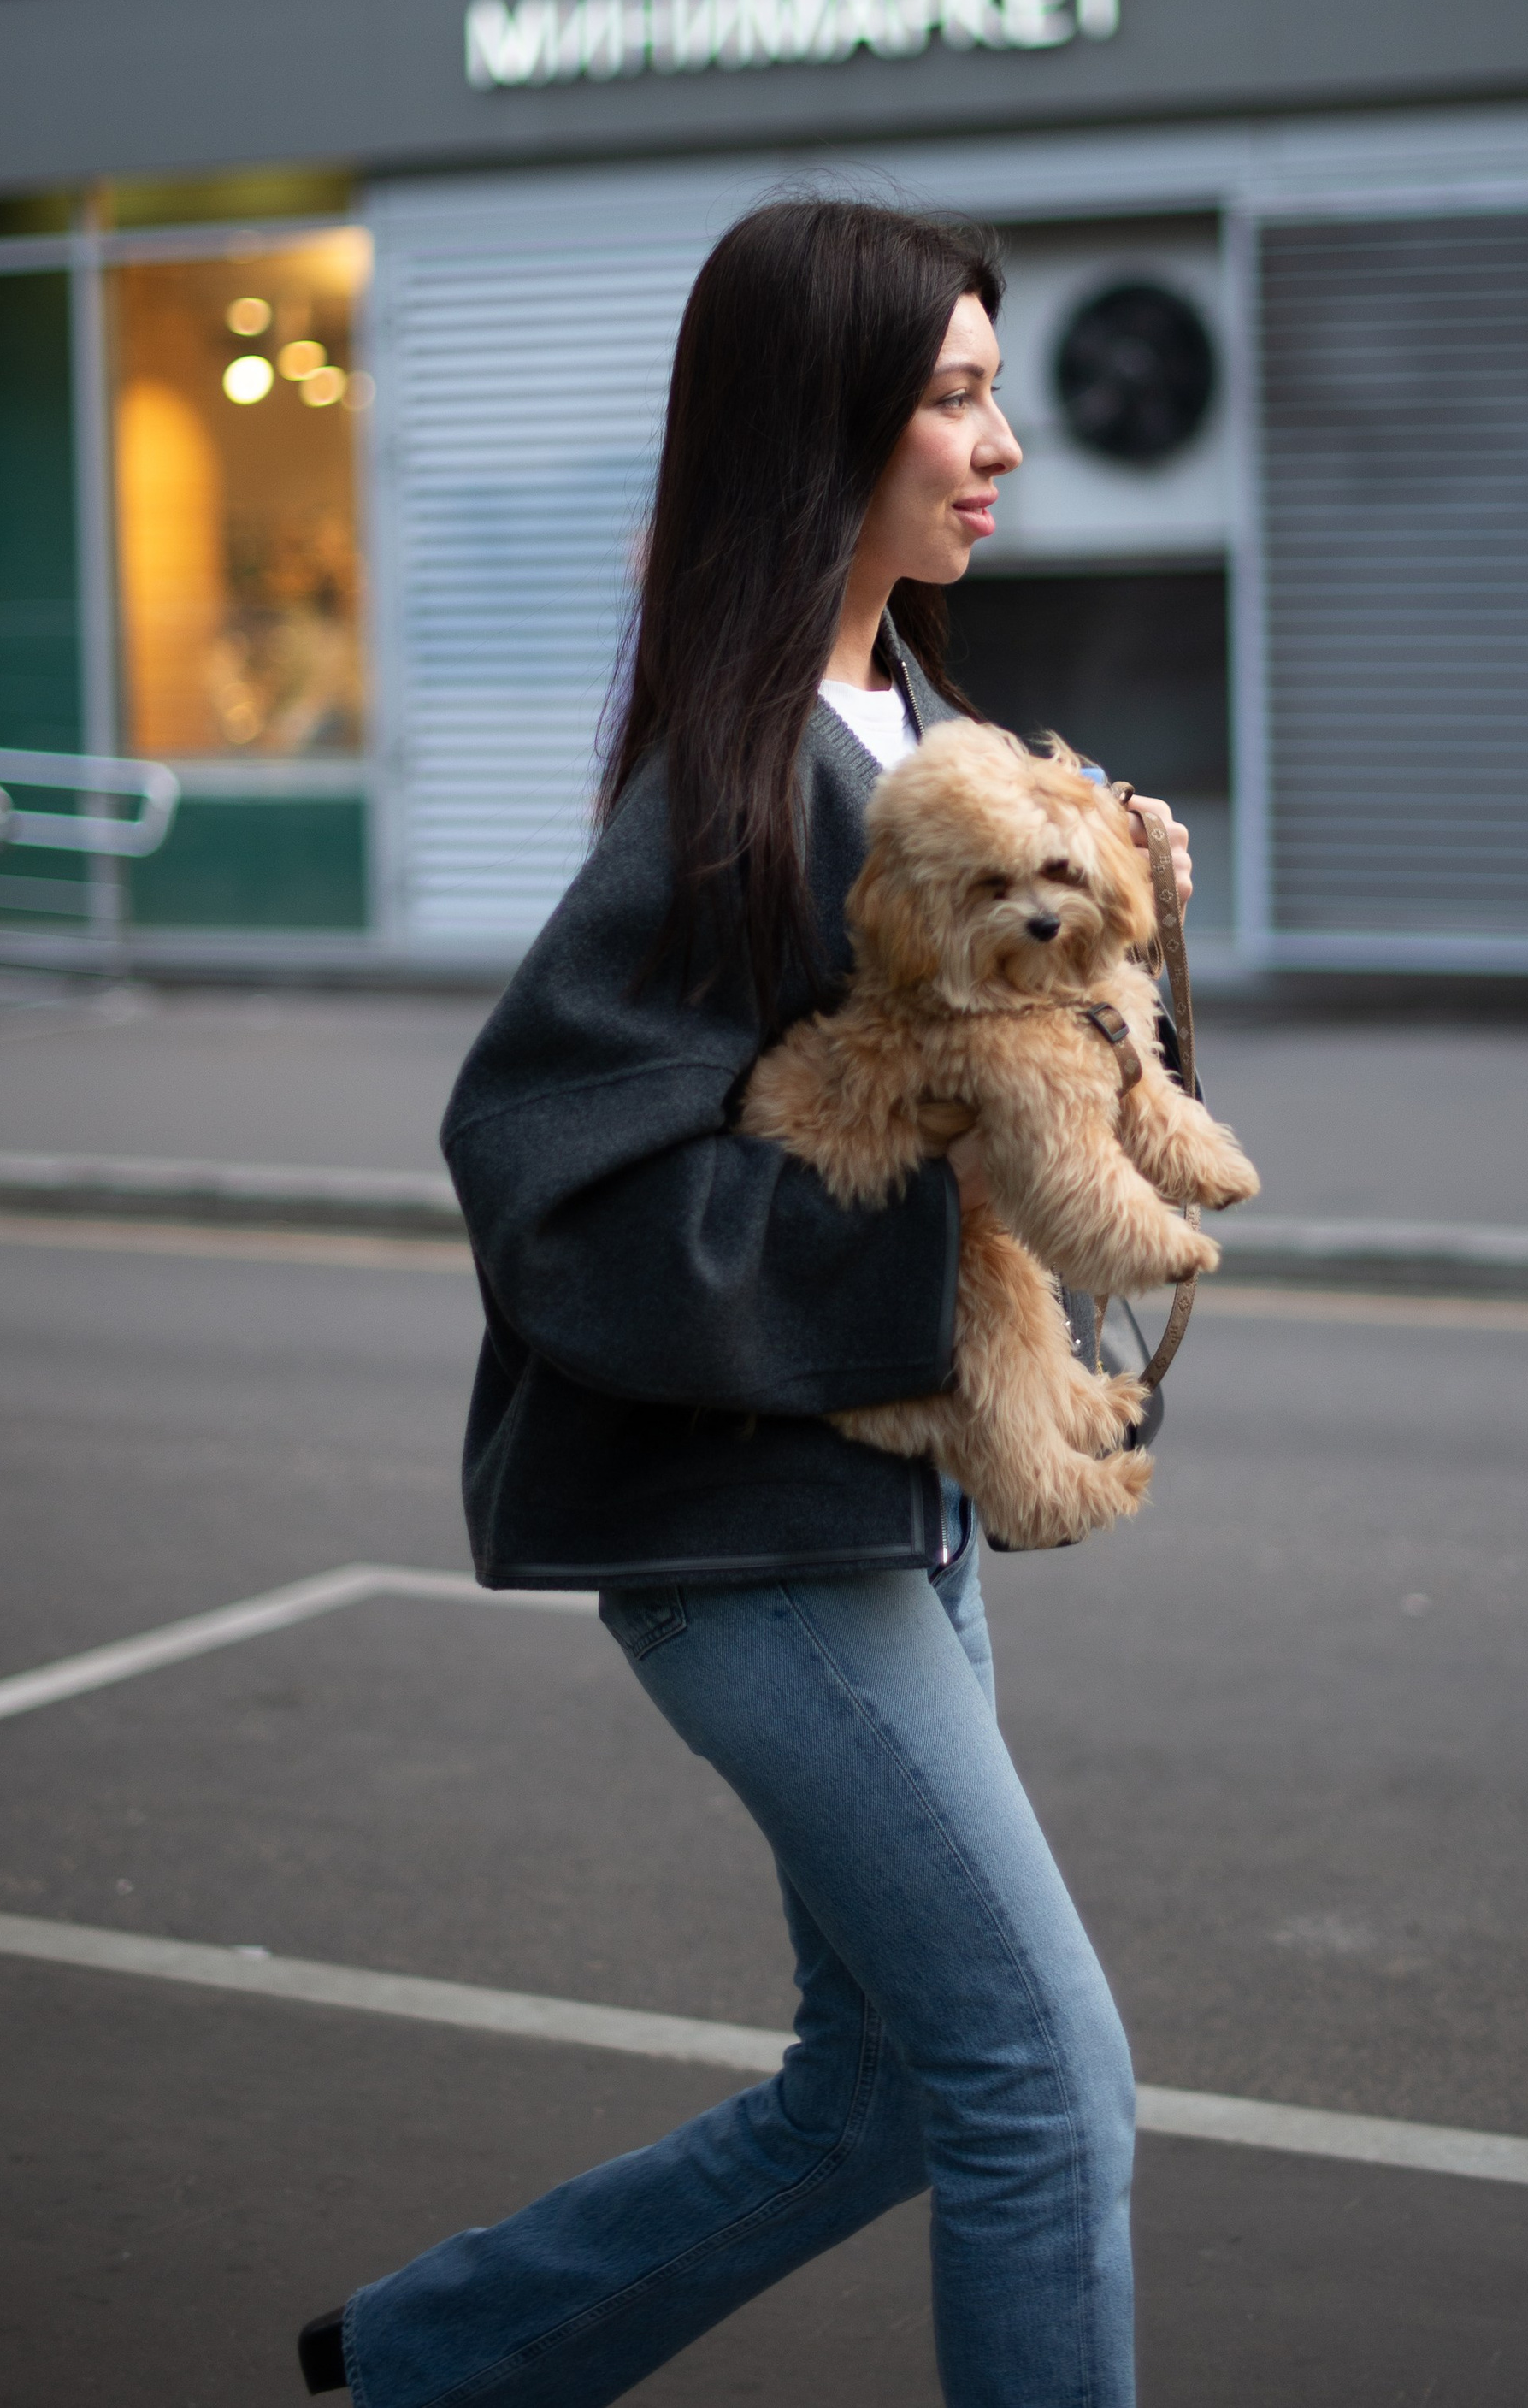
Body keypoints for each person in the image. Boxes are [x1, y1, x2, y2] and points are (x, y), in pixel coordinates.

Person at [298, 195, 1193, 2408]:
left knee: (887, 2085)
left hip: (885, 1503)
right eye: (958, 398)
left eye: (997, 393)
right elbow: (552, 1172)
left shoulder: (906, 727)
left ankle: (443, 2356)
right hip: (753, 1544)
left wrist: (1116, 948)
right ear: (828, 430)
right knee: (1041, 2077)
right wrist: (944, 1170)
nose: (1004, 447)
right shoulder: (726, 787)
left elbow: (974, 1067)